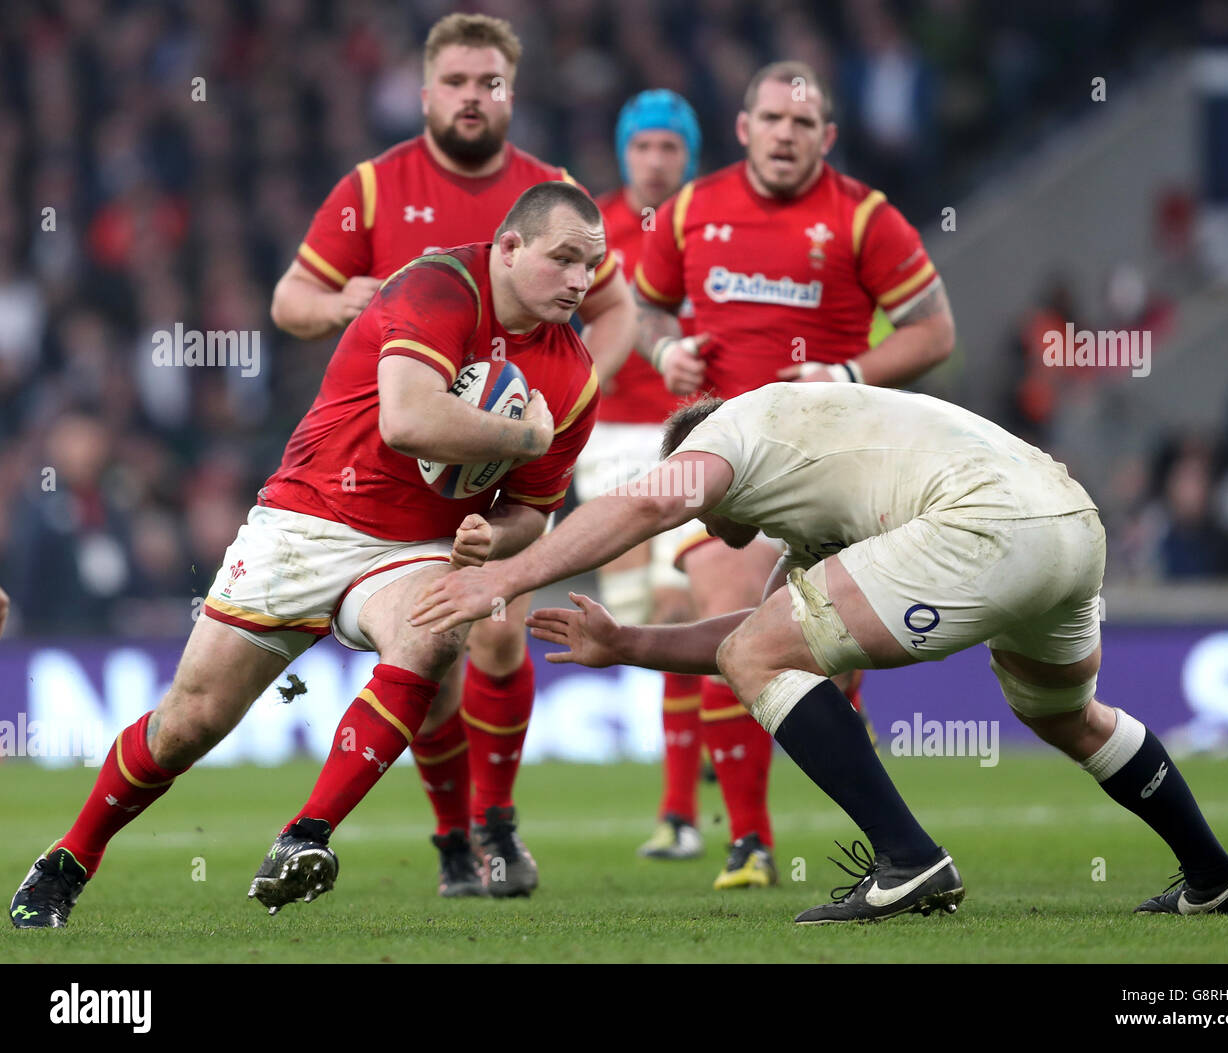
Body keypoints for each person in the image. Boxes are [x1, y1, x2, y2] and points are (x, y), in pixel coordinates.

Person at [412, 383, 1228, 923]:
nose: (704, 531)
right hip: (1067, 521)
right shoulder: (810, 481)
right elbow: (759, 635)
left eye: (703, 514)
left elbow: (646, 510)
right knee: (1064, 714)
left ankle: (909, 860)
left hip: (984, 522)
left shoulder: (734, 435)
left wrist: (511, 576)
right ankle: (1216, 872)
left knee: (763, 651)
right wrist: (629, 640)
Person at [10, 182, 605, 928]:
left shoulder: (575, 377)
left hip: (413, 546)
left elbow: (534, 513)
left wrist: (496, 537)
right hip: (306, 519)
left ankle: (307, 836)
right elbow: (409, 419)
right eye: (564, 259)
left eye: (591, 265)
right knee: (190, 721)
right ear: (510, 248)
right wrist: (525, 437)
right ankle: (69, 857)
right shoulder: (438, 284)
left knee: (434, 634)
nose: (580, 280)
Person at [270, 12, 635, 898]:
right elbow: (289, 299)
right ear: (428, 91)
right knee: (433, 674)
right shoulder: (373, 186)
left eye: (491, 83)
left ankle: (497, 826)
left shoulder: (552, 194)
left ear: (511, 92)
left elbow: (618, 311)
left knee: (500, 631)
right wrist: (342, 302)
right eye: (459, 82)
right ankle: (451, 842)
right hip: (385, 460)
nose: (474, 97)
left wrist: (572, 402)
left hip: (506, 463)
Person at [626, 60, 955, 888]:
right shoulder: (693, 210)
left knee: (824, 652)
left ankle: (876, 807)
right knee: (732, 616)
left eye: (802, 124)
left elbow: (934, 330)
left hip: (839, 463)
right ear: (743, 128)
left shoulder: (865, 217)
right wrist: (666, 347)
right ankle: (750, 841)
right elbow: (641, 306)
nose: (784, 133)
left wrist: (846, 374)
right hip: (730, 460)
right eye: (771, 119)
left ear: (827, 138)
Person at [580, 90, 706, 861]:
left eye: (669, 147)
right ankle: (699, 755)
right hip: (609, 436)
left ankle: (680, 811)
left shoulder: (711, 224)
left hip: (692, 427)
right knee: (635, 621)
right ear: (625, 154)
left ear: (687, 154)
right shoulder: (588, 227)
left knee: (676, 603)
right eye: (644, 147)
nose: (656, 161)